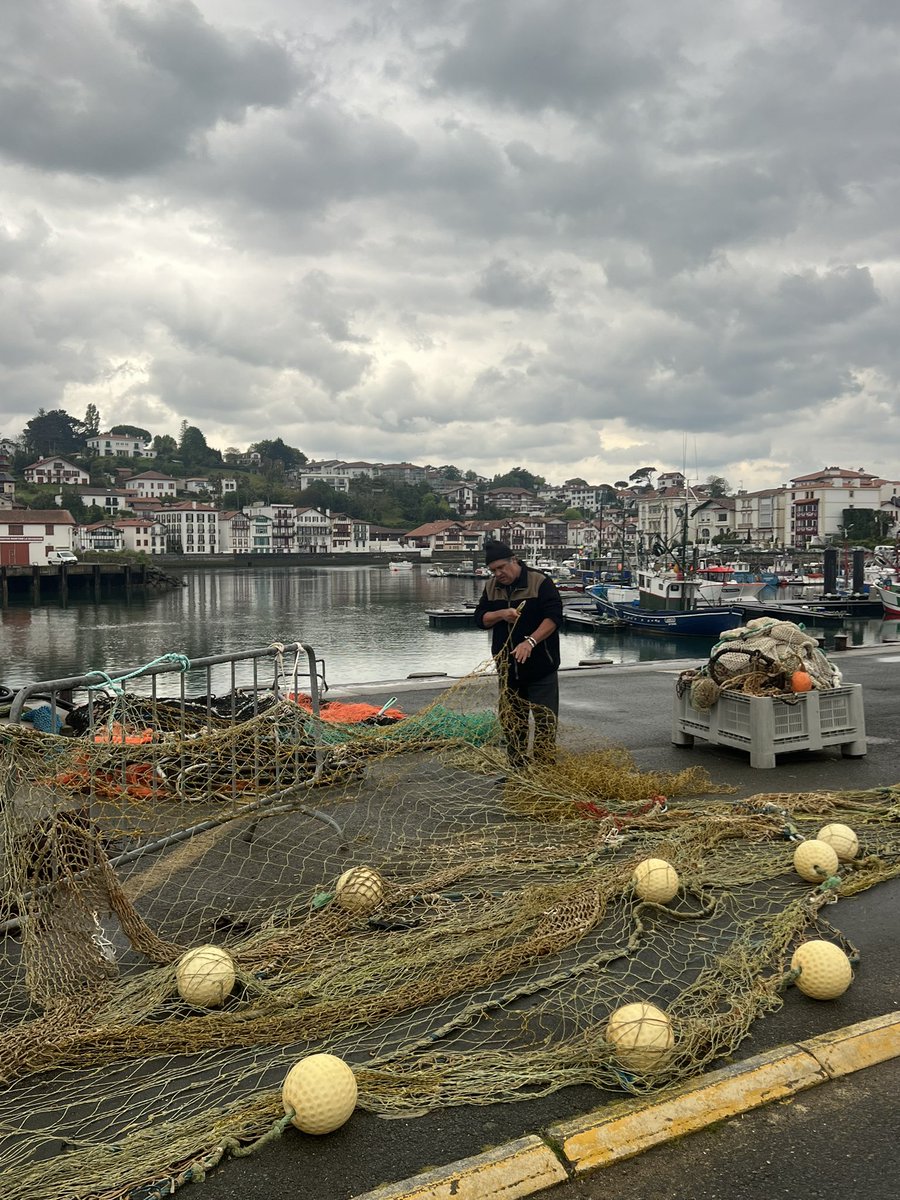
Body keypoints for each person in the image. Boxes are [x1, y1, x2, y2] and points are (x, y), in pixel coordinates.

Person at [474, 540, 563, 771]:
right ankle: (517, 769)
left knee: (545, 721)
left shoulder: (539, 581)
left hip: (541, 666)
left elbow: (554, 617)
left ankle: (545, 770)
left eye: (502, 567)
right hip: (507, 668)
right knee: (512, 722)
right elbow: (479, 619)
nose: (498, 573)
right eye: (493, 570)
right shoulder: (492, 587)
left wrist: (531, 641)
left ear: (514, 560)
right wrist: (501, 613)